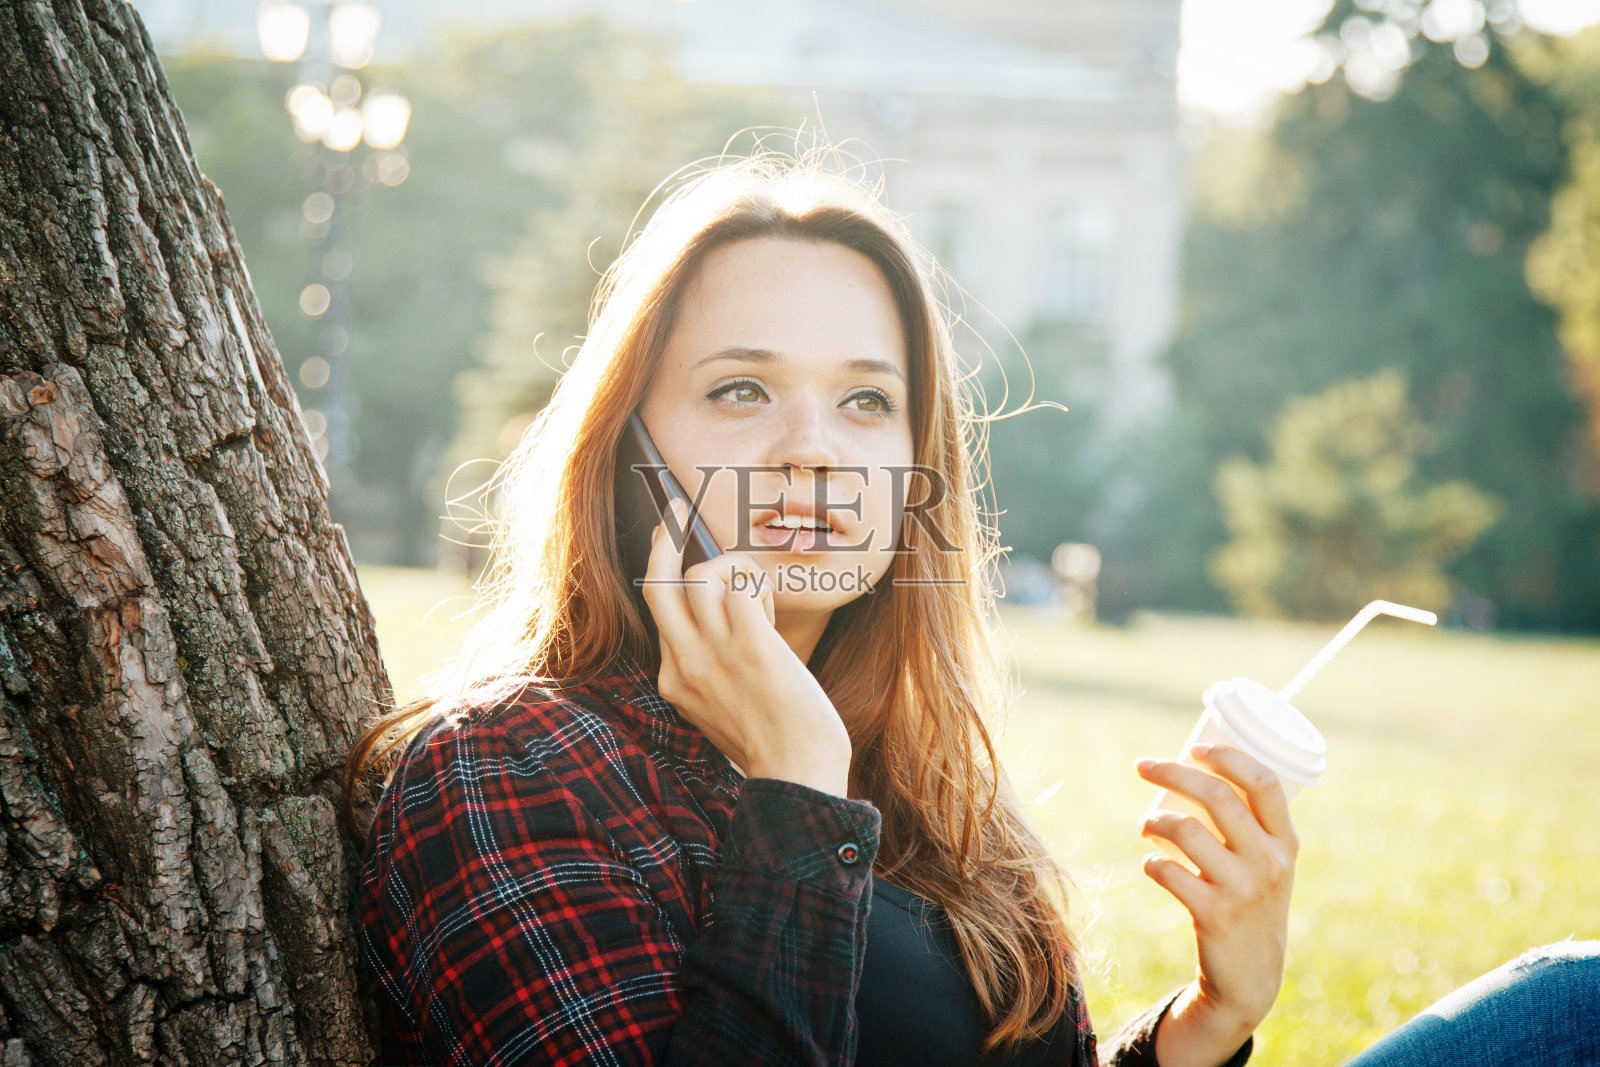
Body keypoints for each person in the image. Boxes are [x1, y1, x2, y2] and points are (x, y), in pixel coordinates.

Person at [344, 146, 1599, 1066]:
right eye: (739, 391)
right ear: (630, 452)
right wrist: (793, 789)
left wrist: (1207, 1021)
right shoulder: (505, 767)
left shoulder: (925, 779)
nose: (812, 450)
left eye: (865, 401)